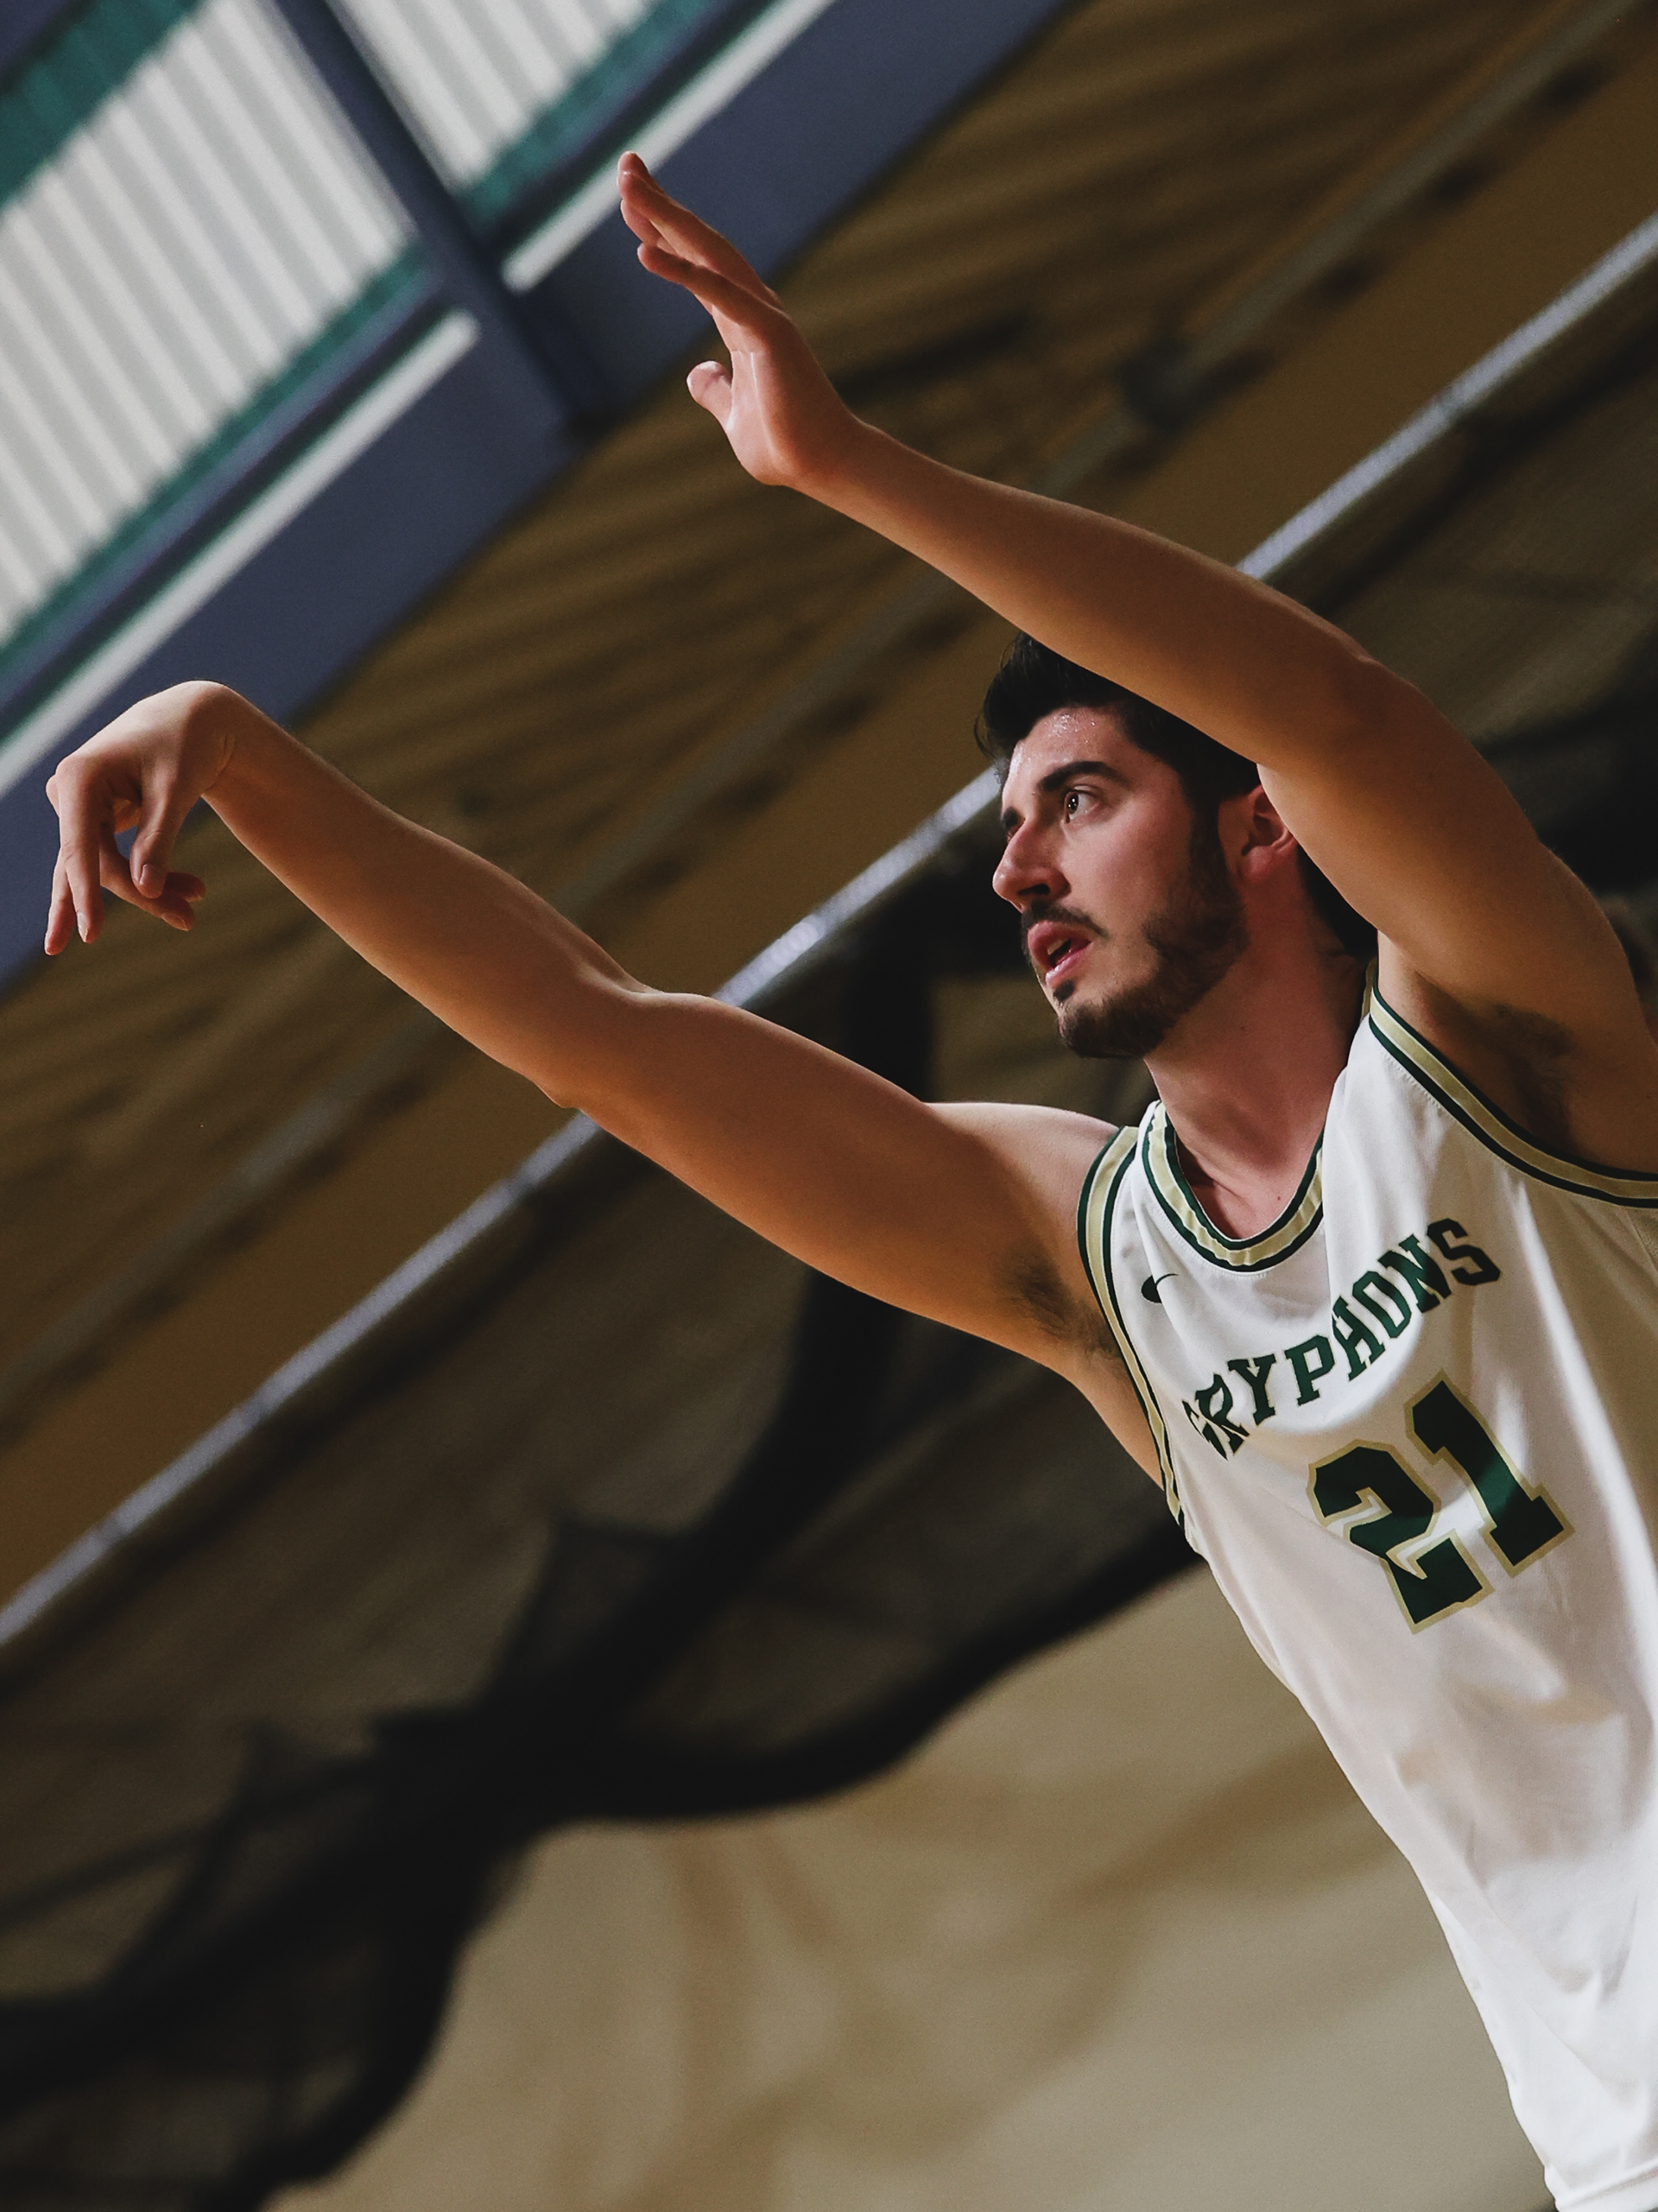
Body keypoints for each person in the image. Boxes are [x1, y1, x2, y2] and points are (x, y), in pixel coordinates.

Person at [43, 155, 1658, 2209]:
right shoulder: (1089, 1262)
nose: (1017, 872)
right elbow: (606, 1033)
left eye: (1080, 798)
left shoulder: (1502, 1036)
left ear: (1261, 832)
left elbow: (1334, 706)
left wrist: (843, 467)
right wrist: (241, 752)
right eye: (1012, 827)